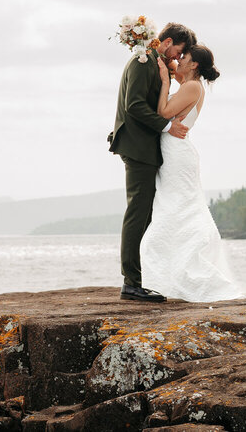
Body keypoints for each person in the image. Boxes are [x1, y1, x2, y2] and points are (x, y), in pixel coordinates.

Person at [138, 44, 246, 302]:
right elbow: (171, 69)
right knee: (175, 206)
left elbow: (163, 113)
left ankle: (181, 269)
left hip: (177, 153)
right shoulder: (188, 82)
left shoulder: (192, 86)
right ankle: (173, 270)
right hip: (174, 150)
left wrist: (166, 80)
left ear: (194, 65)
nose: (179, 61)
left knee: (177, 208)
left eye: (184, 58)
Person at [107, 21, 195, 302]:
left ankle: (137, 279)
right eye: (179, 52)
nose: (178, 59)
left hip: (143, 147)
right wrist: (167, 127)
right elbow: (134, 105)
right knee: (137, 213)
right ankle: (131, 283)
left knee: (144, 214)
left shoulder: (153, 61)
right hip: (138, 147)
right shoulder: (143, 61)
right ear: (167, 42)